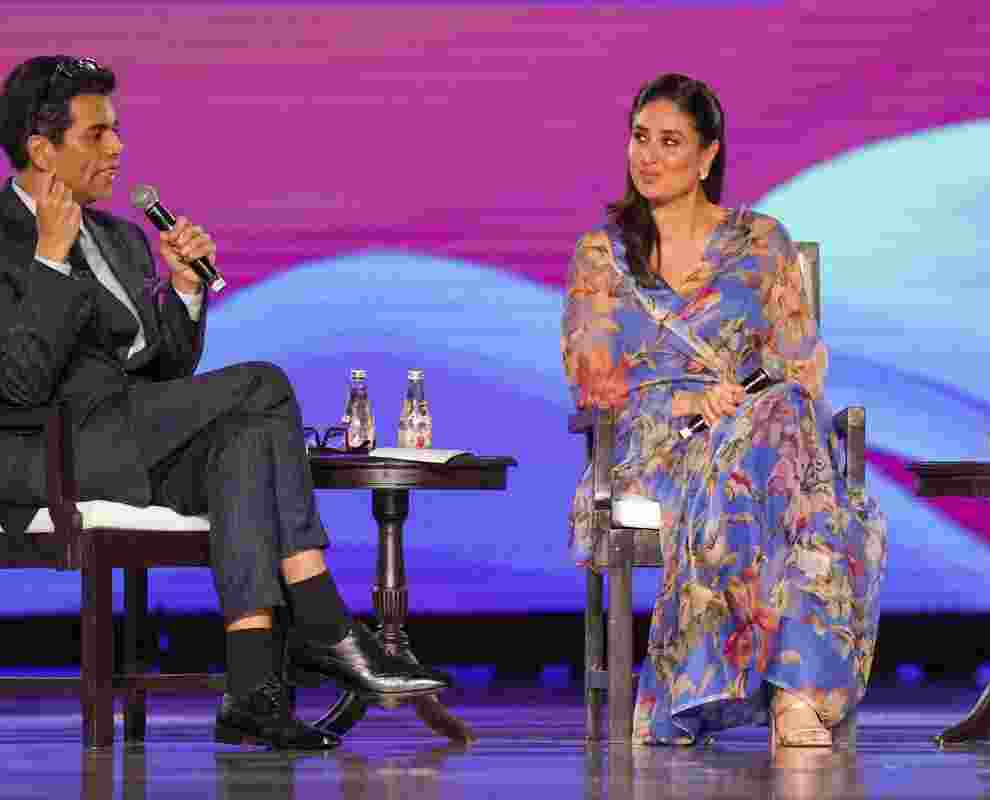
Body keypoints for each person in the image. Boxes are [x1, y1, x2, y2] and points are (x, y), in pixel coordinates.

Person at [0, 55, 450, 750]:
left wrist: (183, 289)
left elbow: (166, 370)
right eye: (98, 134)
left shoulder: (118, 237)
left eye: (117, 130)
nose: (118, 148)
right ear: (40, 148)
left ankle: (252, 691)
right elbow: (20, 384)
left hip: (129, 436)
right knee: (262, 385)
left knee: (243, 442)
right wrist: (50, 262)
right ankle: (324, 620)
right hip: (51, 453)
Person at [562, 73, 888, 747]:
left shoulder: (762, 241)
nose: (649, 157)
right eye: (640, 139)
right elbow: (593, 384)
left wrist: (741, 397)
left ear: (708, 156)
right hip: (659, 446)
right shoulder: (604, 256)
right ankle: (796, 693)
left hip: (762, 429)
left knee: (781, 419)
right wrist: (687, 398)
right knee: (814, 497)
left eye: (671, 142)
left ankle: (736, 689)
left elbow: (800, 362)